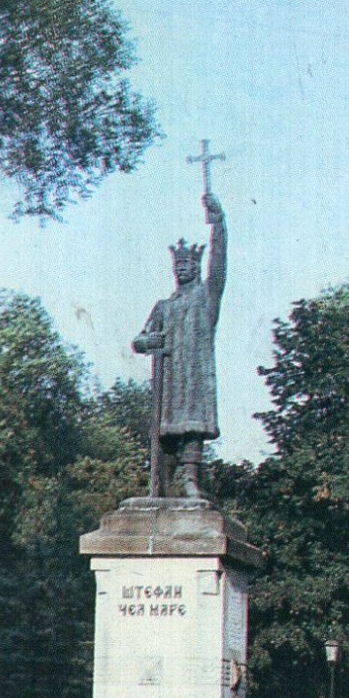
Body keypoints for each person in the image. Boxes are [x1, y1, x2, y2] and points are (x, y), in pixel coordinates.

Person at [133, 190, 227, 499]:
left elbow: (219, 264)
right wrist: (149, 340)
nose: (183, 269)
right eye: (179, 266)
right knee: (166, 430)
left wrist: (218, 223)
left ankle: (191, 480)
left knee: (192, 426)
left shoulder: (205, 297)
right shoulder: (164, 306)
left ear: (196, 269)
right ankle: (161, 484)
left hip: (195, 375)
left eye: (188, 265)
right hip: (170, 378)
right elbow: (139, 340)